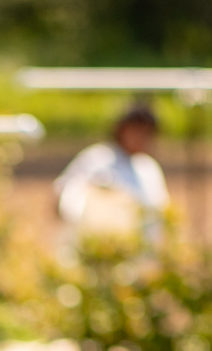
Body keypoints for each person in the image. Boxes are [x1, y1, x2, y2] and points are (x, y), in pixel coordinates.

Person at [54, 104, 172, 253]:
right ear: (121, 130)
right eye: (136, 131)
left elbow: (160, 211)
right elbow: (67, 199)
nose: (142, 138)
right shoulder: (98, 159)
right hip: (94, 251)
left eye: (147, 132)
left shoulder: (149, 169)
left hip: (137, 251)